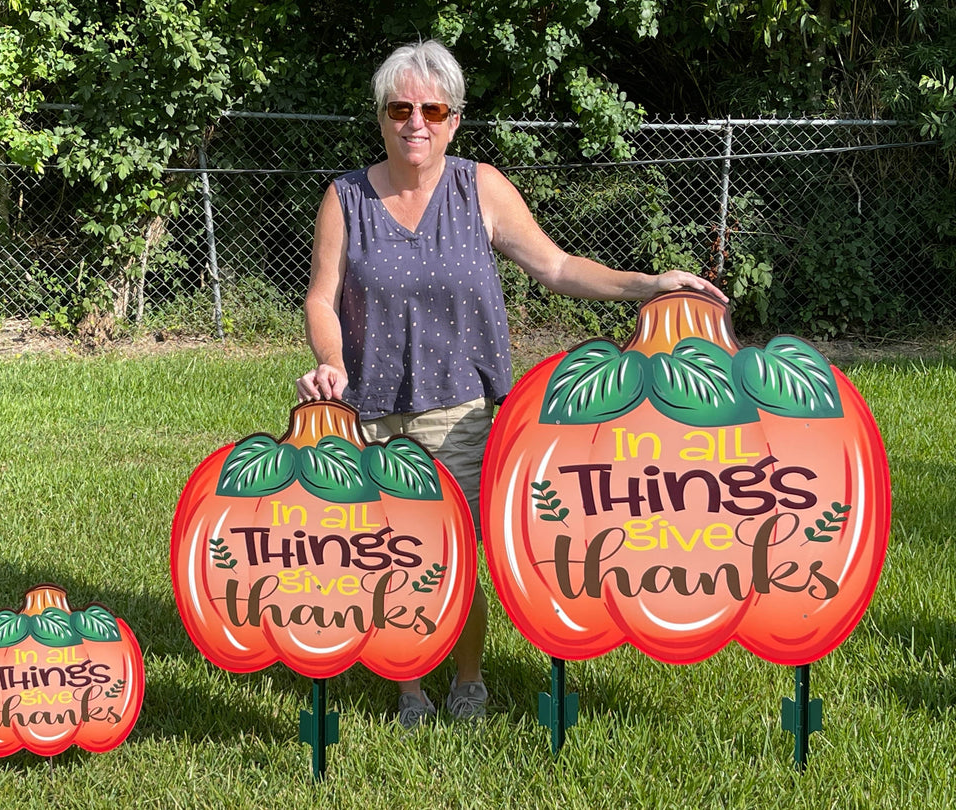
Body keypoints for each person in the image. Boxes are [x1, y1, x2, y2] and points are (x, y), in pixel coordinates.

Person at [296, 39, 727, 729]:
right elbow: (323, 297)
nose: (417, 122)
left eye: (433, 108)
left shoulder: (479, 188)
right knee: (388, 560)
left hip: (458, 412)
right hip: (366, 412)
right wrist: (331, 361)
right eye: (401, 107)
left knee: (456, 560)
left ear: (454, 118)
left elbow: (555, 267)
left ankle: (468, 680)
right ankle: (410, 689)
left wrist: (647, 285)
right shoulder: (345, 198)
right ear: (381, 116)